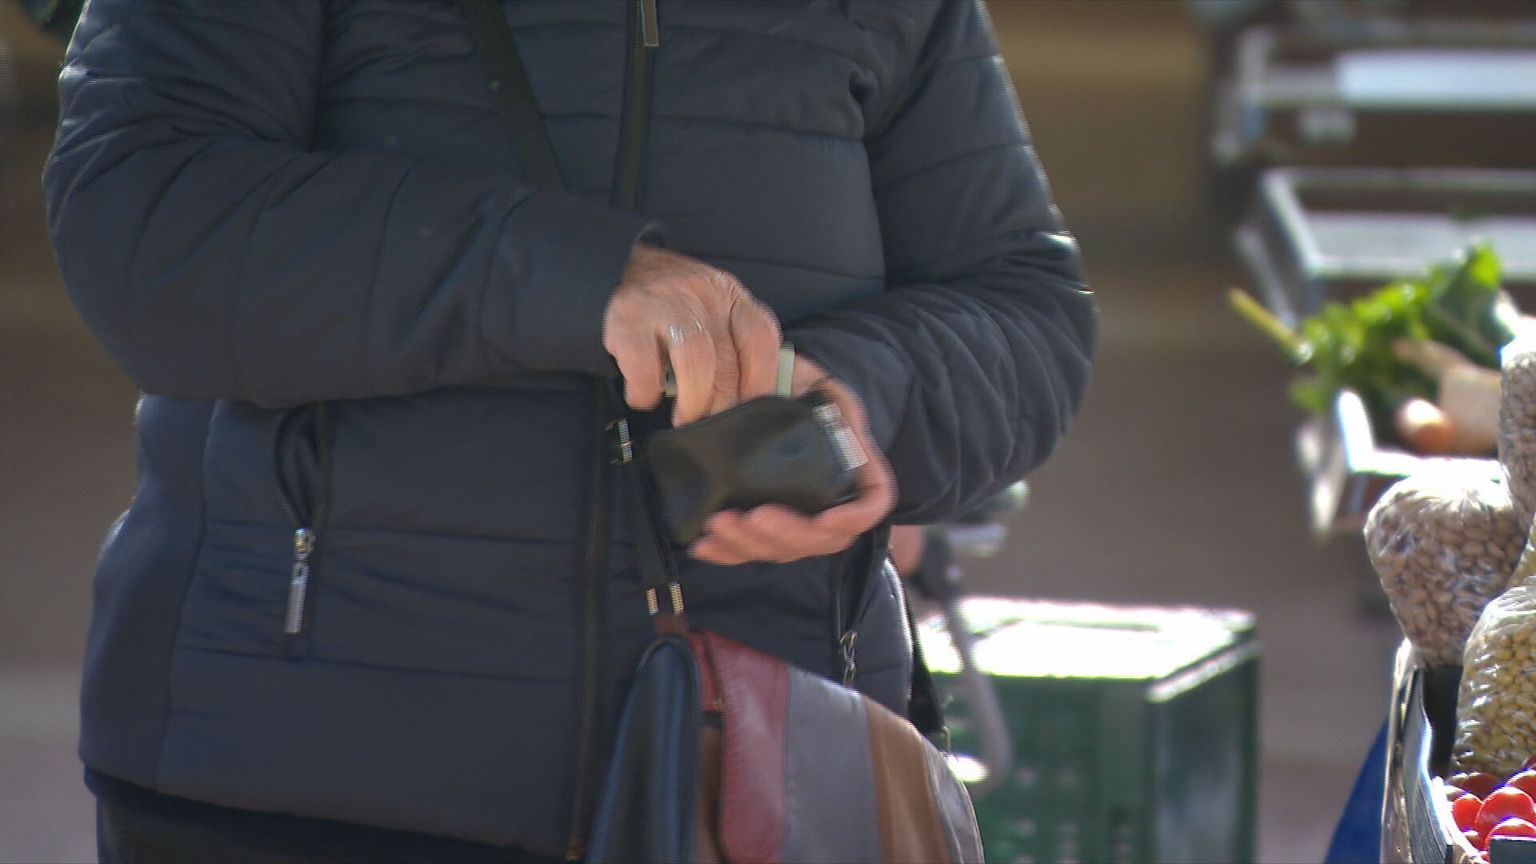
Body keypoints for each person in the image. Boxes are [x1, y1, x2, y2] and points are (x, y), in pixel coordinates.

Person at [43, 0, 1097, 861]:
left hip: (757, 776)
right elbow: (145, 223)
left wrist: (866, 396)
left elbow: (1024, 304)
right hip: (301, 779)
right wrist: (580, 279)